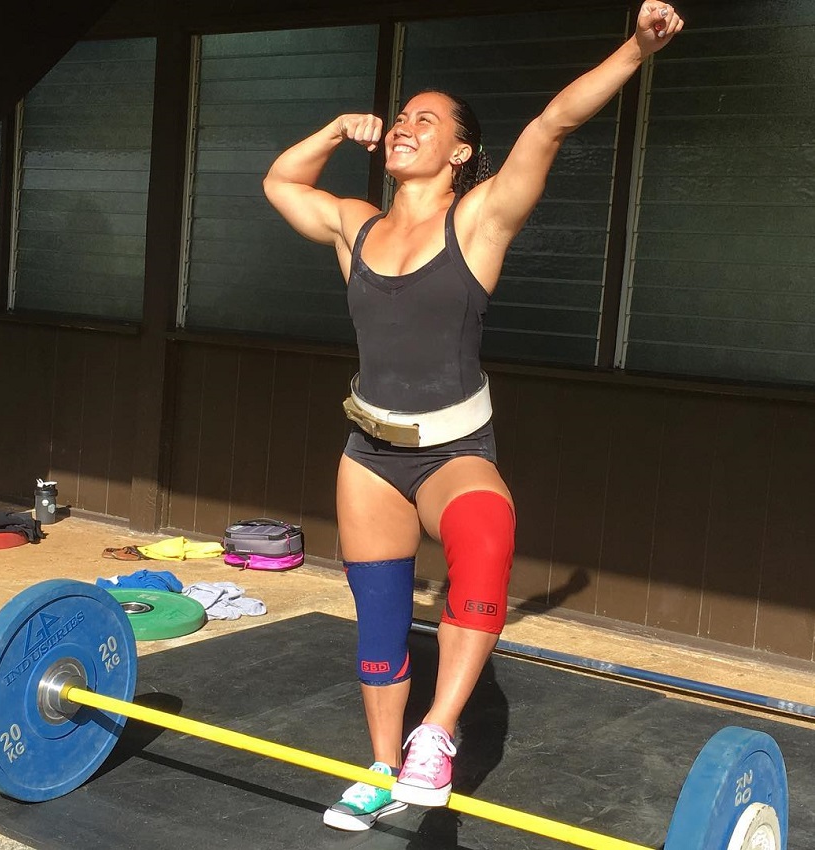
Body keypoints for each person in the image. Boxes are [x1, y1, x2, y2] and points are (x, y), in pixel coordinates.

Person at [263, 1, 683, 832]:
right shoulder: (355, 226)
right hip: (368, 455)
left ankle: (437, 735)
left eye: (426, 119)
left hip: (454, 449)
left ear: (460, 151)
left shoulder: (481, 217)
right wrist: (332, 128)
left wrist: (635, 49)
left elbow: (553, 124)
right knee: (380, 630)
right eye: (399, 118)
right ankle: (382, 769)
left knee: (487, 541)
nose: (403, 126)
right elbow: (281, 182)